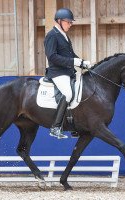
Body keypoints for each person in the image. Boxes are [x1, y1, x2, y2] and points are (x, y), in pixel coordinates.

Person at [44, 8, 91, 139]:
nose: (70, 25)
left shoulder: (64, 35)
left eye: (71, 22)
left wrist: (81, 62)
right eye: (68, 22)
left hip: (68, 71)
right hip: (57, 72)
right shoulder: (52, 35)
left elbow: (70, 54)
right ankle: (55, 127)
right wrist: (73, 61)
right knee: (68, 93)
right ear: (59, 21)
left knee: (81, 90)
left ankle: (75, 126)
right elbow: (52, 57)